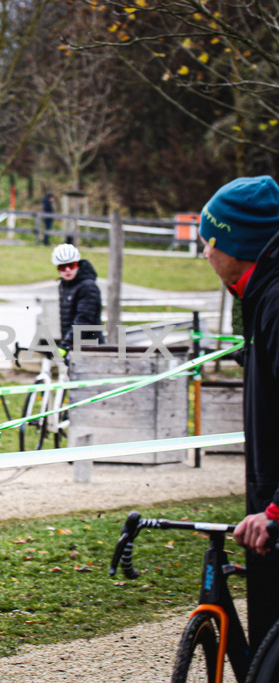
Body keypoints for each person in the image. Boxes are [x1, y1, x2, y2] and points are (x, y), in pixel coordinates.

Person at [198, 175, 279, 654]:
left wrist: (275, 511)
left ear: (239, 243)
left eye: (211, 240)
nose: (205, 252)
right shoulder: (257, 294)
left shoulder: (274, 302)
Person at [51, 243, 104, 352]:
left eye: (71, 265)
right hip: (73, 347)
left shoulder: (88, 287)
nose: (67, 270)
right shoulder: (64, 285)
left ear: (78, 265)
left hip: (90, 349)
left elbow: (84, 321)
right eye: (62, 267)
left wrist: (65, 345)